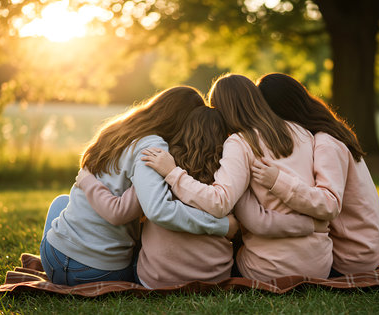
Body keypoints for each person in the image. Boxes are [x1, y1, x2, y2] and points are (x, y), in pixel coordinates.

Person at [76, 106, 324, 287]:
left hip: (155, 279)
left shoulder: (162, 165)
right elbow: (252, 221)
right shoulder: (229, 174)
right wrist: (311, 224)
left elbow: (145, 211)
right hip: (214, 278)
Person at [142, 74, 335, 282]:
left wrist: (173, 173)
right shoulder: (303, 133)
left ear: (223, 111)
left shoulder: (240, 142)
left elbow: (219, 202)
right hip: (320, 267)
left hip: (268, 270)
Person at [39, 86, 238, 286]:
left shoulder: (118, 131)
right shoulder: (154, 149)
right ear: (182, 121)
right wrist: (221, 226)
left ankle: (62, 249)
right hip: (98, 272)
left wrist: (86, 181)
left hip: (53, 260)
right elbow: (156, 210)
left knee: (61, 202)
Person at [255, 72, 379, 276]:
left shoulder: (327, 143)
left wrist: (276, 181)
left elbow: (329, 203)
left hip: (353, 256)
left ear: (278, 111)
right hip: (364, 246)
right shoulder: (328, 132)